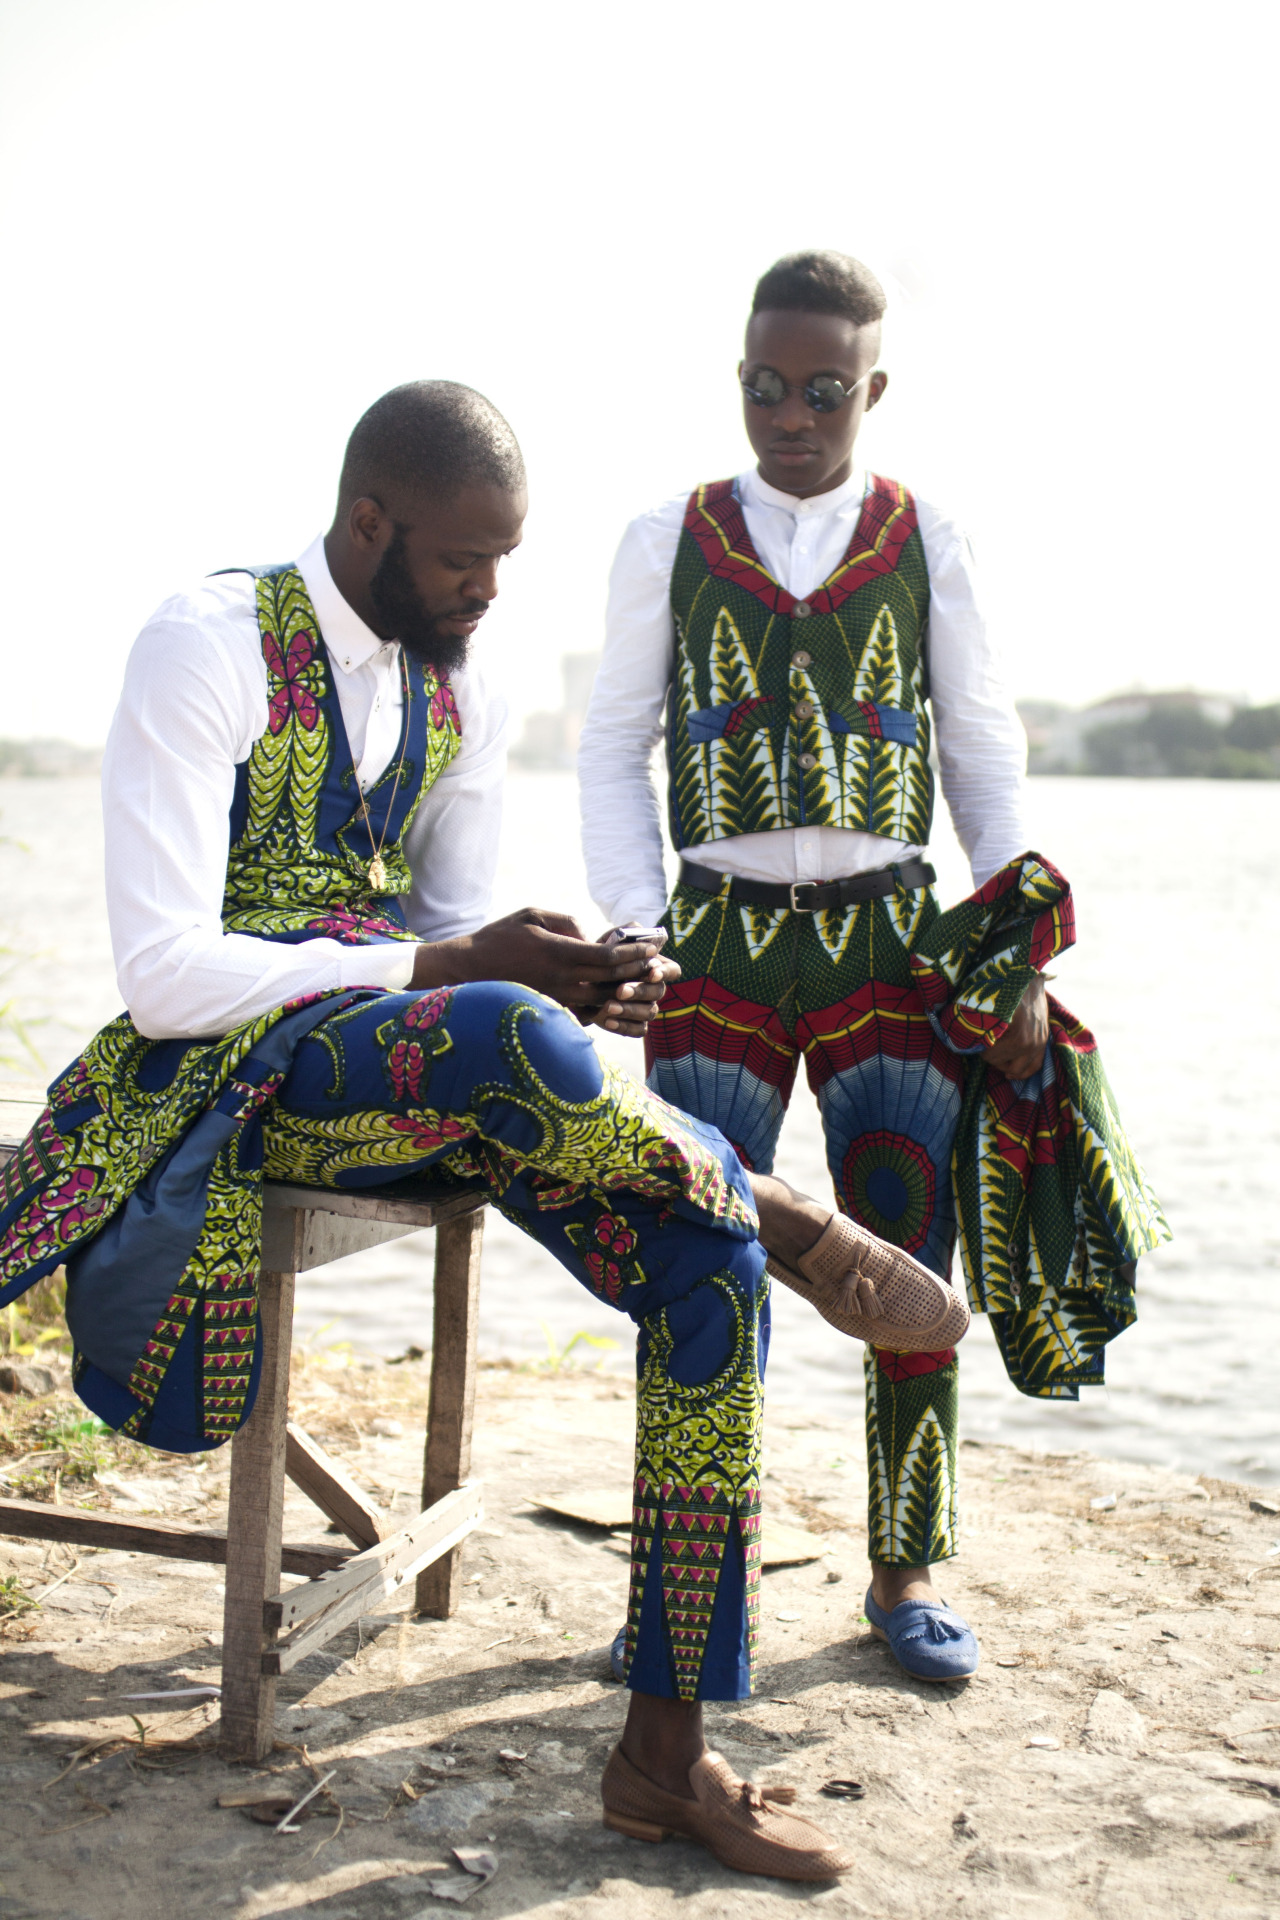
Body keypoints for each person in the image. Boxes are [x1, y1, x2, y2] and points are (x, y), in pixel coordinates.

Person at [0, 378, 968, 1880]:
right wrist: (467, 972)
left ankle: (664, 1756)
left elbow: (451, 938)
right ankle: (782, 1208)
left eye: (505, 560)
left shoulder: (467, 688)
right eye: (463, 559)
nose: (489, 590)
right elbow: (165, 974)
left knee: (701, 1270)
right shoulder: (207, 643)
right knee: (514, 1038)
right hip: (222, 1080)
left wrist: (573, 974)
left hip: (424, 1076)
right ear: (370, 523)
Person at [578, 251, 1166, 1687]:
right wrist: (636, 928)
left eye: (823, 392)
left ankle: (906, 1570)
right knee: (697, 1254)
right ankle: (684, 1581)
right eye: (766, 388)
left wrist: (1012, 950)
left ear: (872, 390)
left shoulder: (924, 536)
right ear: (739, 382)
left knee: (908, 1255)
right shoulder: (667, 535)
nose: (792, 416)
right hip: (713, 947)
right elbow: (611, 743)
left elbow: (982, 747)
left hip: (893, 948)